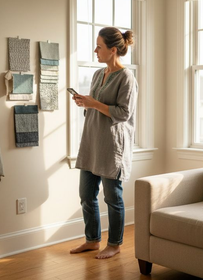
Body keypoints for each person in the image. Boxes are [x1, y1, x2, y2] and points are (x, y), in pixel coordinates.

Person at [70, 27, 138, 259]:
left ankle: (115, 244)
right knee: (86, 195)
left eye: (99, 46)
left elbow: (124, 113)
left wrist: (94, 104)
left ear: (112, 50)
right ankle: (92, 240)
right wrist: (85, 103)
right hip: (91, 142)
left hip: (112, 146)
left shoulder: (127, 77)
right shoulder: (98, 75)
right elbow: (96, 108)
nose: (95, 50)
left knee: (112, 198)